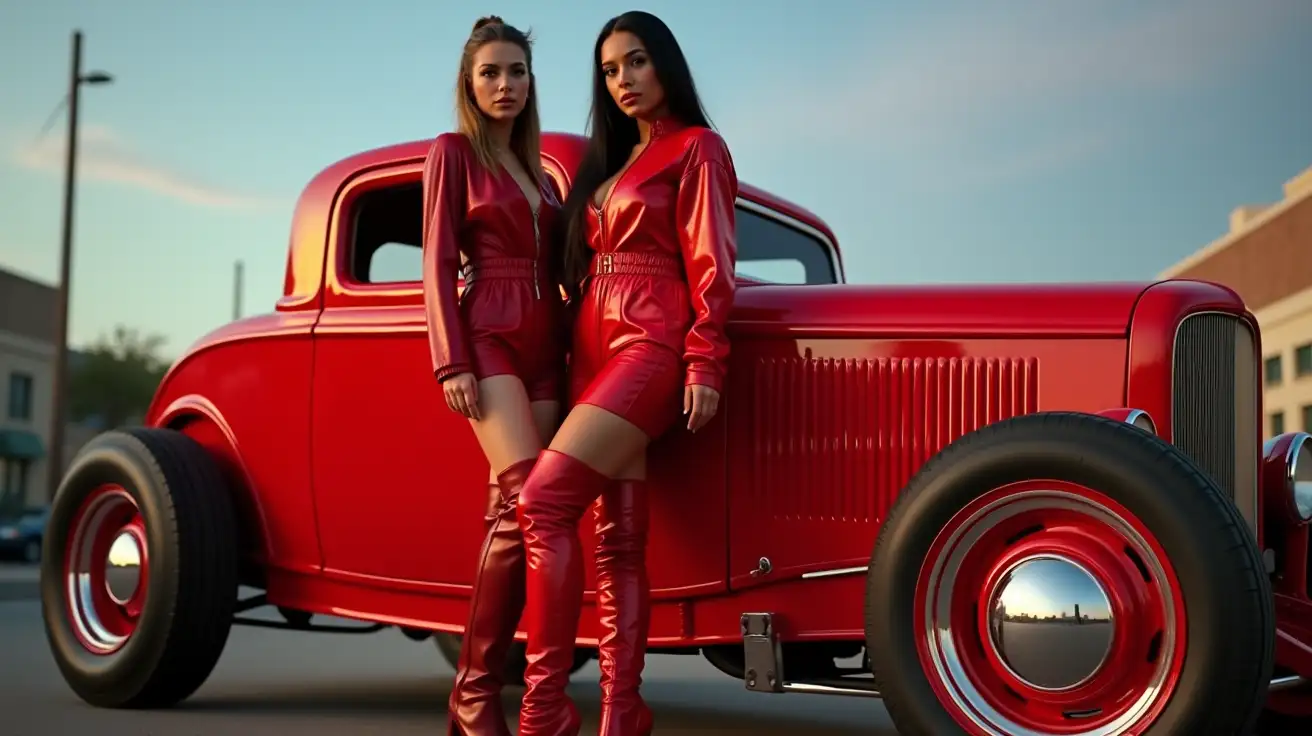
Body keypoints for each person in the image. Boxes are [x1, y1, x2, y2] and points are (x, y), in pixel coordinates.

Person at [514, 10, 739, 736]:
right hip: (590, 348)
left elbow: (713, 263)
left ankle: (544, 707)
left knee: (544, 503)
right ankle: (621, 711)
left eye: (636, 62)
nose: (622, 81)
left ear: (664, 64)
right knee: (617, 540)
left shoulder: (698, 149)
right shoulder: (609, 168)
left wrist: (706, 356)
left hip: (651, 342)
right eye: (610, 71)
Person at [421, 15, 567, 736]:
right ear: (469, 85)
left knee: (512, 519)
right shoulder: (454, 153)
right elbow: (439, 260)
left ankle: (474, 697)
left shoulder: (539, 174)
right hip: (489, 334)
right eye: (490, 73)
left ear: (530, 82)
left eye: (515, 72)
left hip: (547, 342)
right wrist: (451, 358)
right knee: (529, 505)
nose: (504, 85)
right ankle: (477, 697)